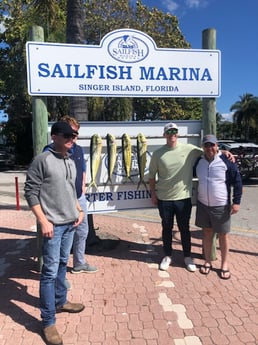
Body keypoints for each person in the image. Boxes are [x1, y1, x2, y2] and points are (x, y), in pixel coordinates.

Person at [24, 121, 85, 345]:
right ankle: (48, 321)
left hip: (70, 223)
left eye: (74, 135)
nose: (72, 139)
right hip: (53, 226)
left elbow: (71, 190)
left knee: (61, 264)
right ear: (55, 136)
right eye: (67, 135)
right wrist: (43, 221)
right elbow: (30, 192)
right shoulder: (43, 160)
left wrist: (78, 209)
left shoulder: (70, 159)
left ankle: (61, 301)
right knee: (48, 273)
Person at [149, 122, 203, 272]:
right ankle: (167, 256)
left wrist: (224, 153)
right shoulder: (158, 153)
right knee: (166, 228)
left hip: (183, 198)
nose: (172, 134)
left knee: (184, 228)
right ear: (164, 134)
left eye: (174, 131)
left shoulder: (189, 149)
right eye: (169, 131)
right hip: (164, 198)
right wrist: (153, 193)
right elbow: (152, 176)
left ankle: (187, 256)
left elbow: (208, 152)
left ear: (177, 134)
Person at [195, 134, 242, 279]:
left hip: (221, 206)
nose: (209, 148)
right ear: (203, 147)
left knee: (223, 235)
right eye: (206, 145)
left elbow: (237, 182)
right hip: (203, 204)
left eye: (212, 145)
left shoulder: (226, 161)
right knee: (207, 233)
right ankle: (208, 261)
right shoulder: (198, 161)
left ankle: (224, 264)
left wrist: (236, 202)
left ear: (217, 146)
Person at [59, 115, 97, 274]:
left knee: (83, 231)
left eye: (76, 134)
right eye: (72, 133)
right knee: (64, 236)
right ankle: (59, 274)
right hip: (62, 200)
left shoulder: (79, 149)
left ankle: (79, 263)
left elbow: (82, 171)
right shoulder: (53, 150)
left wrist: (83, 187)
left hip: (79, 197)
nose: (75, 137)